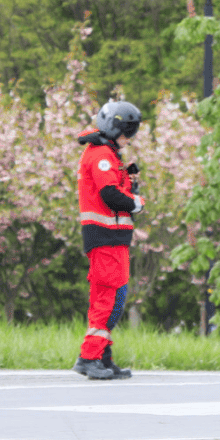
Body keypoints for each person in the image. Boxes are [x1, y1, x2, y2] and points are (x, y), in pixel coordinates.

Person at [72, 100, 145, 381]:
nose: (129, 139)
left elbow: (116, 190)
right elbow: (109, 195)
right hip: (105, 237)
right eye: (127, 133)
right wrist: (136, 202)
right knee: (108, 298)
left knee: (116, 297)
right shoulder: (101, 155)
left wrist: (131, 183)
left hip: (114, 237)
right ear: (113, 129)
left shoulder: (109, 155)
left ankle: (102, 355)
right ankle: (88, 357)